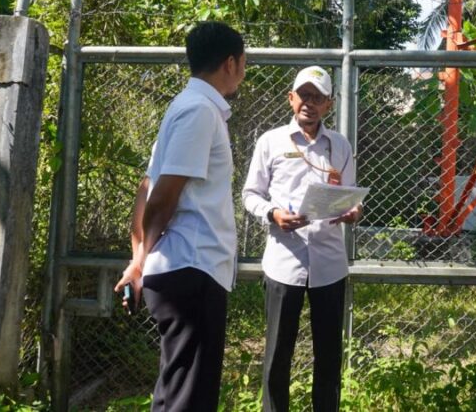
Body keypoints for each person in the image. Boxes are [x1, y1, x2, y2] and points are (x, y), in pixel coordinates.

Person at [113, 21, 246, 411]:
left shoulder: (184, 107)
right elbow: (162, 195)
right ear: (230, 63)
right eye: (243, 63)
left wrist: (140, 261)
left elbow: (146, 188)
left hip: (183, 269)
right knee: (190, 397)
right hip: (192, 266)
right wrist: (139, 262)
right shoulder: (200, 111)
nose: (242, 71)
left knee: (175, 391)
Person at [242, 65, 361, 412]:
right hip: (284, 262)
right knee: (278, 354)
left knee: (328, 357)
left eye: (317, 97)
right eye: (303, 95)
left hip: (329, 265)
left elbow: (352, 198)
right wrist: (273, 215)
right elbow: (250, 195)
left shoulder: (339, 145)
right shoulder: (271, 142)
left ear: (329, 104)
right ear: (290, 98)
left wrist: (352, 212)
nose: (309, 103)